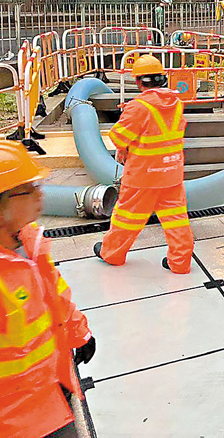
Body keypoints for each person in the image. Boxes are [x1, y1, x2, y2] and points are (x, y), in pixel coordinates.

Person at [0, 142, 95, 438]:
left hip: (50, 392)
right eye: (29, 188)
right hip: (17, 419)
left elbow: (54, 294)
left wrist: (80, 333)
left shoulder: (28, 243)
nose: (41, 194)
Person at [95, 55, 193, 273]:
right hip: (171, 173)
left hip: (143, 176)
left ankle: (112, 253)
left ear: (138, 81)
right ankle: (180, 262)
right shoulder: (177, 104)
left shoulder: (138, 107)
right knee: (176, 218)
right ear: (162, 78)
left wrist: (123, 147)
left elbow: (118, 137)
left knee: (127, 217)